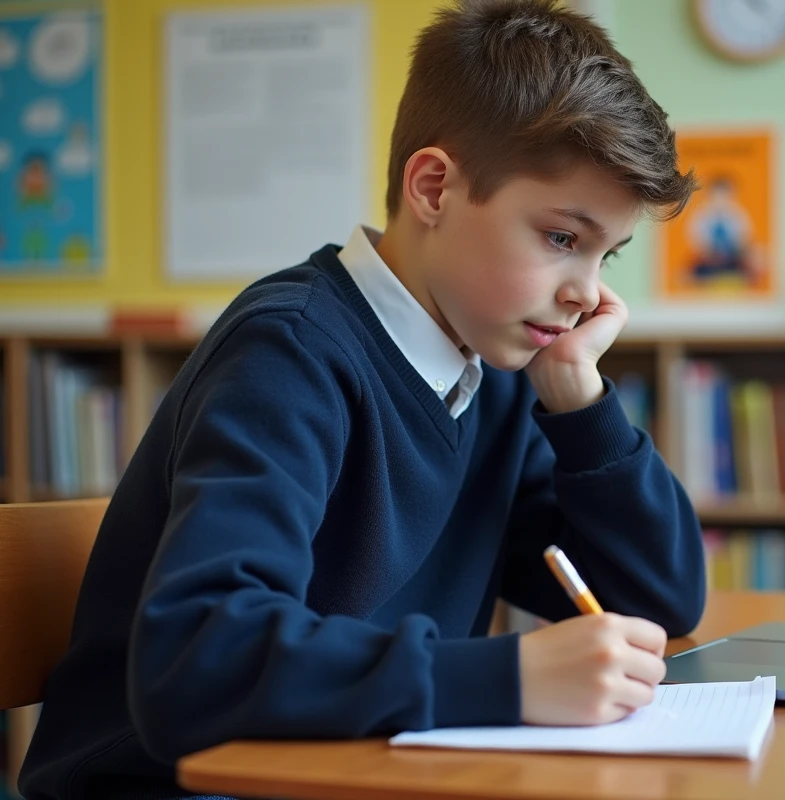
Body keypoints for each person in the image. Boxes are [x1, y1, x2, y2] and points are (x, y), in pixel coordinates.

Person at [18, 1, 704, 798]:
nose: (586, 294)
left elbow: (661, 602)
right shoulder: (292, 352)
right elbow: (195, 662)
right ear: (434, 187)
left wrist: (580, 405)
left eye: (606, 257)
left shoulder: (495, 375)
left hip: (351, 774)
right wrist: (509, 677)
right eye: (561, 239)